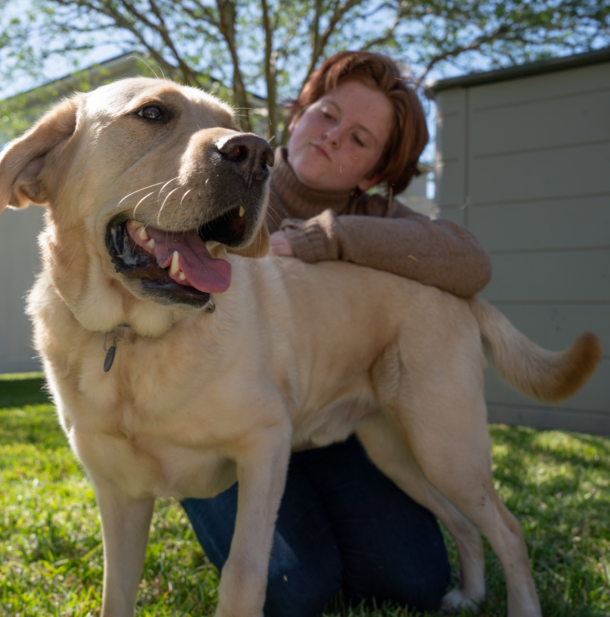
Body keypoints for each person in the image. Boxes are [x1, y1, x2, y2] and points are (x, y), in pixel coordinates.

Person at [181, 52, 492, 616]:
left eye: (358, 139)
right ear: (297, 115)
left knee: (414, 581)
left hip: (333, 425)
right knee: (292, 590)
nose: (331, 137)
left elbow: (470, 261)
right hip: (222, 434)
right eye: (325, 115)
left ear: (373, 173)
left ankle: (320, 516)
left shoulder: (375, 218)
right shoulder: (232, 177)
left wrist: (326, 237)